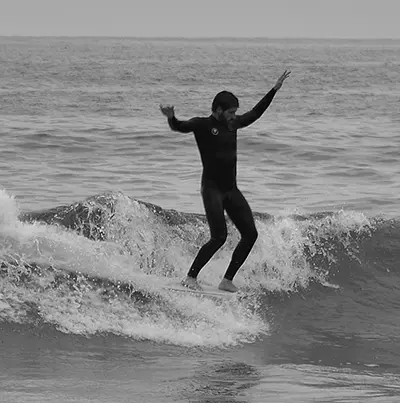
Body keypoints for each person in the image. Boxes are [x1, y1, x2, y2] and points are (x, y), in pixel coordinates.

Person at [160, 70, 291, 292]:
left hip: (231, 190)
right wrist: (171, 117)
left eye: (235, 112)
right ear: (218, 110)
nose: (233, 116)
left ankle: (227, 280)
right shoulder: (202, 124)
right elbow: (180, 127)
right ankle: (191, 278)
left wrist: (274, 90)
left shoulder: (233, 124)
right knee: (219, 237)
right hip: (212, 190)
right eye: (230, 112)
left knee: (251, 234)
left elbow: (256, 112)